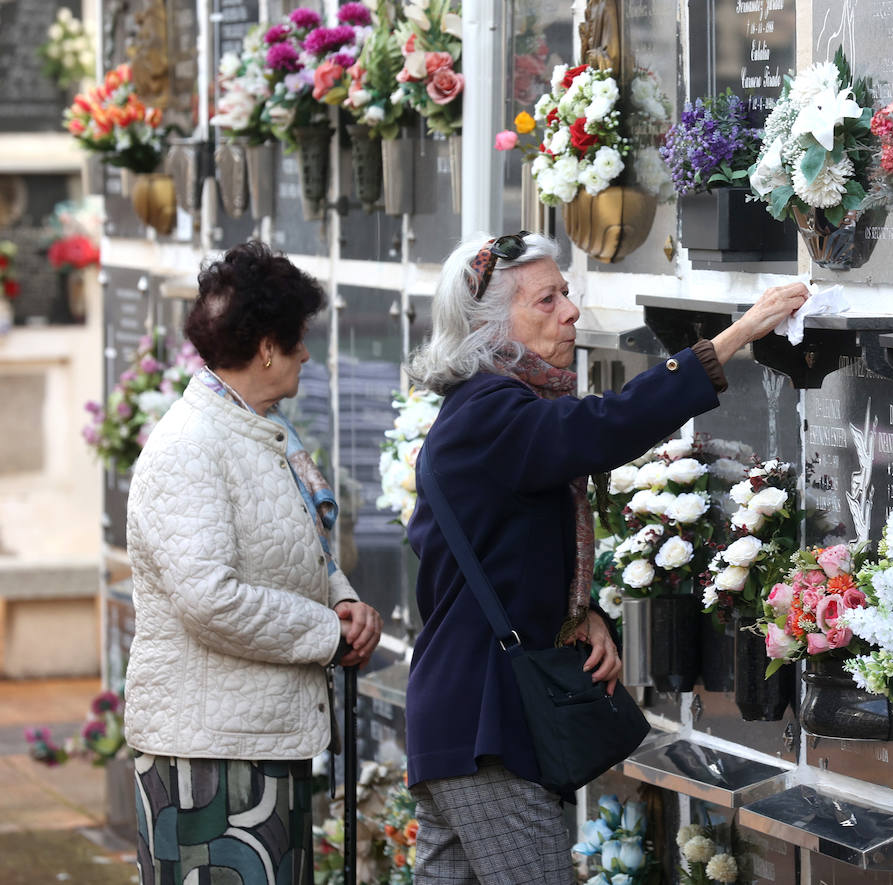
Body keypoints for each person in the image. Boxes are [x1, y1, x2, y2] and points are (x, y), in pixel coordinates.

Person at [405, 231, 808, 883]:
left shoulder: (491, 412)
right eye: (547, 299)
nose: (570, 311)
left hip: (458, 722)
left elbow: (502, 550)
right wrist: (739, 335)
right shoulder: (488, 413)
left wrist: (578, 609)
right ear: (489, 325)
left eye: (568, 291)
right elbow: (599, 430)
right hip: (487, 729)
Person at [123, 241, 383, 885]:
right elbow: (208, 598)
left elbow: (298, 543)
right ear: (268, 345)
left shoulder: (258, 431)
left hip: (256, 740)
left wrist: (341, 598)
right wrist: (328, 634)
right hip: (207, 759)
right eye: (298, 339)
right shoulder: (192, 447)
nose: (307, 354)